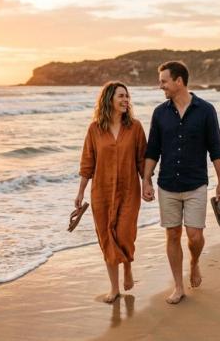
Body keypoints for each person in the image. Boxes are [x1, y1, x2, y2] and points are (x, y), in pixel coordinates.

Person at [142, 61, 220, 304]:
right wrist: (146, 180)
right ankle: (179, 286)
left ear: (178, 81)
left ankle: (194, 261)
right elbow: (152, 150)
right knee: (172, 234)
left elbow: (216, 150)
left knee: (194, 236)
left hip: (196, 184)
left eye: (164, 81)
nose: (161, 86)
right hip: (167, 184)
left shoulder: (206, 110)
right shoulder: (159, 113)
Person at [75, 81, 147, 304]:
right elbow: (88, 163)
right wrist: (80, 193)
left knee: (125, 232)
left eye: (127, 96)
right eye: (121, 96)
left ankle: (127, 266)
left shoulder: (135, 127)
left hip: (129, 190)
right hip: (102, 192)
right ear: (109, 100)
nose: (126, 100)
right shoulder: (95, 129)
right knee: (107, 236)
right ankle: (114, 288)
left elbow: (142, 161)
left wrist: (147, 184)